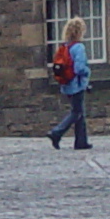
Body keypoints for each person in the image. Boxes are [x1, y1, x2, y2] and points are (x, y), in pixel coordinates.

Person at [46, 16, 91, 149]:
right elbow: (79, 68)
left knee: (79, 112)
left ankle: (81, 142)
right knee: (76, 112)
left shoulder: (65, 46)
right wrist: (88, 72)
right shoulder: (79, 47)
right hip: (77, 84)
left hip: (67, 84)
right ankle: (56, 132)